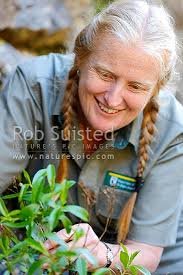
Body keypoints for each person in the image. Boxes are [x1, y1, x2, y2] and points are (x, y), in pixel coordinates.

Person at [0, 0, 183, 274]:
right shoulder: (33, 88)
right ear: (80, 58)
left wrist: (100, 254)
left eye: (135, 86)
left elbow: (146, 253)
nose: (112, 98)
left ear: (155, 90)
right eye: (105, 74)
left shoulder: (172, 130)